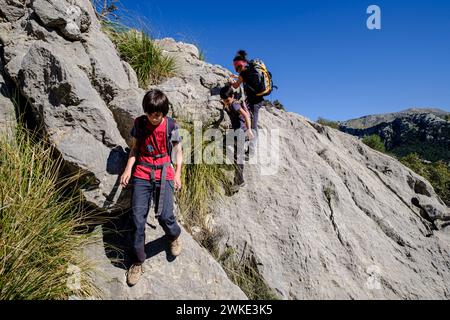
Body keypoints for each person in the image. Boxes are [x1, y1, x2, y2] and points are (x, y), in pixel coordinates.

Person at [120, 89, 183, 287]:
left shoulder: (171, 125)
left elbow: (178, 150)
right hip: (142, 171)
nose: (152, 118)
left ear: (163, 113)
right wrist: (128, 169)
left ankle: (173, 235)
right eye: (149, 114)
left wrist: (178, 173)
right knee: (138, 219)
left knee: (165, 215)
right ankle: (138, 260)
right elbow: (135, 148)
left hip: (164, 170)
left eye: (156, 115)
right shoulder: (140, 123)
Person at [230, 50, 265, 156]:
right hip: (258, 99)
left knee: (253, 125)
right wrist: (238, 78)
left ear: (241, 65)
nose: (237, 70)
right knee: (248, 119)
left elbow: (236, 86)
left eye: (238, 68)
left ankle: (252, 149)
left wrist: (231, 81)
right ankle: (246, 137)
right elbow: (244, 80)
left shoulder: (243, 74)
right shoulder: (249, 67)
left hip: (254, 102)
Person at [220, 85, 254, 193]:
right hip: (235, 132)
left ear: (232, 96)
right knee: (232, 151)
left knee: (238, 156)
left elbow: (246, 116)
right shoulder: (228, 103)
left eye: (228, 100)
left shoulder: (234, 104)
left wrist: (249, 129)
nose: (227, 102)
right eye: (225, 101)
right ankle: (238, 178)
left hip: (241, 132)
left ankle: (239, 180)